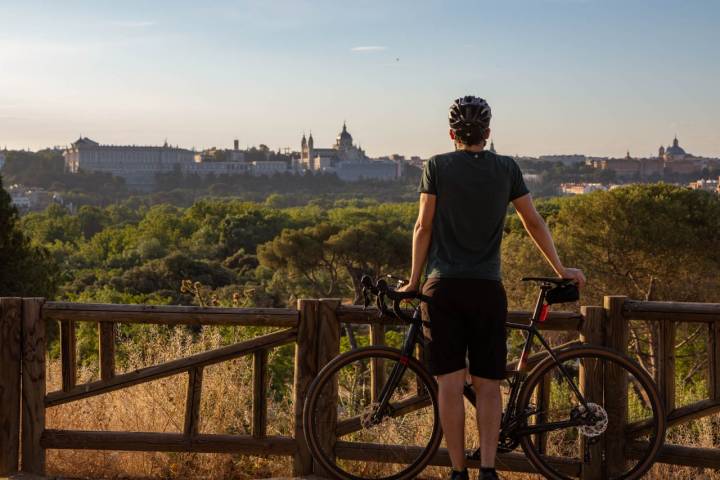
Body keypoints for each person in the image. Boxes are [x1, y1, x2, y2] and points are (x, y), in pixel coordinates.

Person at [398, 96, 586, 480]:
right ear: (488, 132)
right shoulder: (506, 169)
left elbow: (423, 227)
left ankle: (456, 472)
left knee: (449, 385)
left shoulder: (436, 166)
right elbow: (533, 222)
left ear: (452, 134)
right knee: (488, 384)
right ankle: (487, 470)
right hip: (487, 289)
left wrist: (414, 280)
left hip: (443, 288)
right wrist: (561, 268)